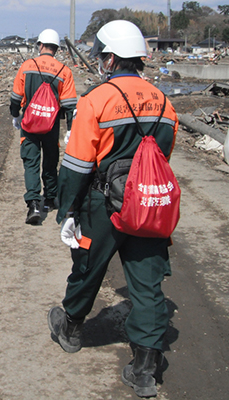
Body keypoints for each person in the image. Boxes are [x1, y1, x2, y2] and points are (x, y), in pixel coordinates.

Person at [47, 20, 179, 398]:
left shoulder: (98, 100)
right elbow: (164, 156)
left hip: (103, 204)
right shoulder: (163, 102)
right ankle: (145, 370)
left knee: (87, 266)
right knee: (148, 284)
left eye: (102, 56)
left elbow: (76, 165)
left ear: (109, 58)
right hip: (147, 206)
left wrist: (67, 209)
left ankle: (71, 329)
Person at [10, 29, 77, 224]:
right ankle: (50, 198)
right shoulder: (64, 70)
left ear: (40, 45)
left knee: (30, 162)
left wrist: (15, 116)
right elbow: (70, 105)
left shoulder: (28, 65)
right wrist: (70, 129)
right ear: (56, 48)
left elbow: (16, 96)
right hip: (51, 125)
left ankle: (33, 204)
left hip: (29, 124)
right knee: (50, 161)